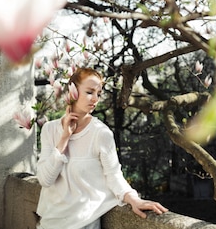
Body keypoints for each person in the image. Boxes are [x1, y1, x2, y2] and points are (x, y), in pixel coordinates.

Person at [36, 67, 168, 229]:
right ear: (73, 92)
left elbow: (113, 176)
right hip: (49, 223)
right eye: (90, 92)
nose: (95, 99)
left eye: (98, 93)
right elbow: (45, 180)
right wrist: (64, 138)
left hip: (83, 224)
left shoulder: (101, 133)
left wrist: (135, 199)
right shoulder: (49, 129)